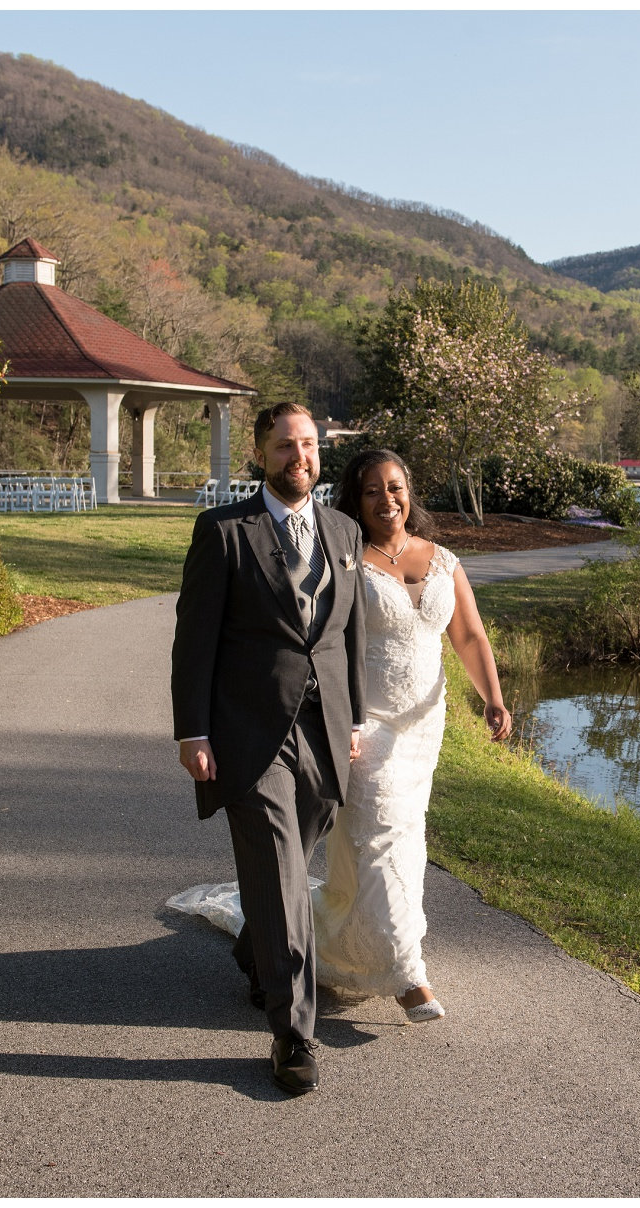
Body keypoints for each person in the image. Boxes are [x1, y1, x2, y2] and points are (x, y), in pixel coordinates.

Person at [170, 448, 511, 1032]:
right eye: (373, 490)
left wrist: (494, 698)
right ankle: (407, 972)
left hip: (423, 727)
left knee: (402, 841)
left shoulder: (444, 560)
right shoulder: (344, 553)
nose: (388, 499)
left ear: (410, 491)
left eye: (396, 487)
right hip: (363, 722)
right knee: (377, 833)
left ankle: (302, 936)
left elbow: (471, 636)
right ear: (355, 497)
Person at [169, 402, 365, 1097]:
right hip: (248, 732)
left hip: (324, 731)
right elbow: (194, 640)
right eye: (285, 447)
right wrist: (193, 731)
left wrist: (356, 720)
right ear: (260, 455)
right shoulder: (223, 531)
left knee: (288, 862)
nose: (299, 458)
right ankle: (293, 1034)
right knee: (281, 864)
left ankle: (259, 951)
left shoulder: (343, 530)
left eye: (308, 445)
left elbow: (348, 636)